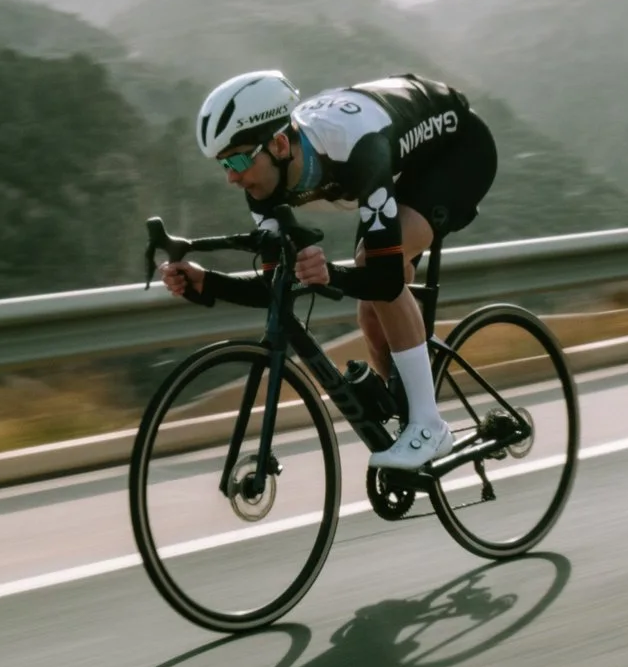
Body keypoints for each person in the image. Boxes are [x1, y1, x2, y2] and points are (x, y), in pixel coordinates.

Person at [161, 70, 499, 470]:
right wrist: (207, 283)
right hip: (401, 159)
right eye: (224, 165)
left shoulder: (356, 147)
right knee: (371, 314)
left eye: (237, 160)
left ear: (280, 144)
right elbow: (275, 285)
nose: (232, 177)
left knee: (373, 268)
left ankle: (428, 426)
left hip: (456, 152)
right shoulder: (264, 184)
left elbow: (386, 279)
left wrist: (331, 275)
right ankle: (406, 416)